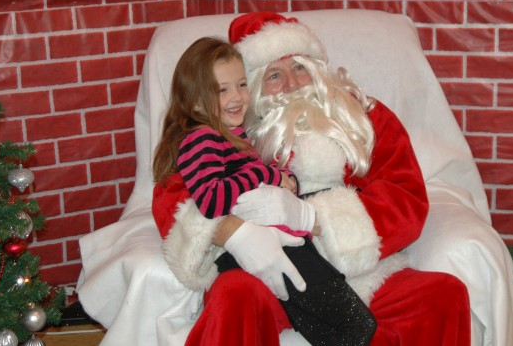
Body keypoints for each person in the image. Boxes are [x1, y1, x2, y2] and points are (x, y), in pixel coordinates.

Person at [152, 12, 471, 345]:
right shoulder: (227, 130)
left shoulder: (364, 117)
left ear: (319, 70)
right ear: (252, 88)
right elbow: (173, 195)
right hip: (267, 273)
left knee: (442, 295)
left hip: (357, 272)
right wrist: (235, 234)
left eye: (300, 68)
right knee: (234, 294)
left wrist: (313, 219)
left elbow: (406, 198)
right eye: (274, 75)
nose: (292, 84)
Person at [152, 36, 376, 345]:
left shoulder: (232, 133)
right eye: (222, 89)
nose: (237, 97)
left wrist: (282, 180)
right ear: (195, 101)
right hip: (259, 250)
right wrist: (262, 175)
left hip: (288, 243)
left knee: (333, 330)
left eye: (241, 85)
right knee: (357, 326)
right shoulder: (201, 139)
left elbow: (246, 176)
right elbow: (210, 200)